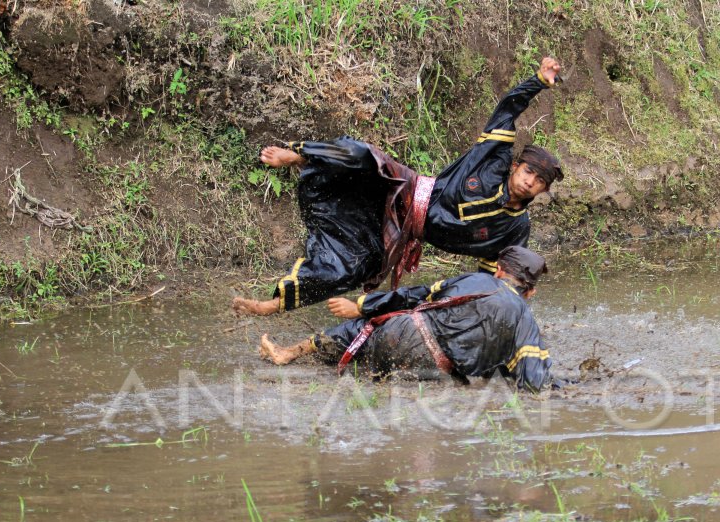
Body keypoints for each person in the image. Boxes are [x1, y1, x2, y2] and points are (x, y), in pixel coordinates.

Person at [232, 57, 564, 316]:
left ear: (541, 191)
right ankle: (300, 156)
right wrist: (537, 82)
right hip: (405, 189)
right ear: (517, 166)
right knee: (361, 155)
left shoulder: (514, 229)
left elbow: (498, 277)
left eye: (539, 182)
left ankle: (268, 306)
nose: (530, 181)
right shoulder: (492, 159)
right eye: (529, 171)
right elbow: (508, 108)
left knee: (345, 271)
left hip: (401, 233)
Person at [258, 245, 554, 392]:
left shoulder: (474, 280)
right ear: (531, 292)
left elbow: (415, 295)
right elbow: (532, 378)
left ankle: (289, 353)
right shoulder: (524, 319)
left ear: (499, 271)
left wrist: (361, 305)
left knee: (361, 330)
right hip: (433, 366)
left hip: (400, 333)